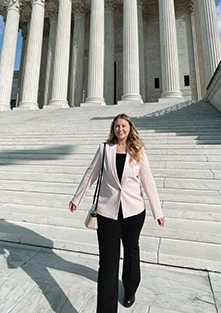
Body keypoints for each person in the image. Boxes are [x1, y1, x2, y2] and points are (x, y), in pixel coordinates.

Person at [69, 113, 165, 312]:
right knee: (107, 263)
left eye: (123, 126)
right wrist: (77, 198)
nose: (120, 129)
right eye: (117, 126)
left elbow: (148, 182)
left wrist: (158, 212)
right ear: (113, 129)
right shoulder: (105, 149)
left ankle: (130, 289)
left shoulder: (138, 150)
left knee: (131, 252)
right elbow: (90, 174)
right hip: (107, 212)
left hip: (134, 211)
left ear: (130, 128)